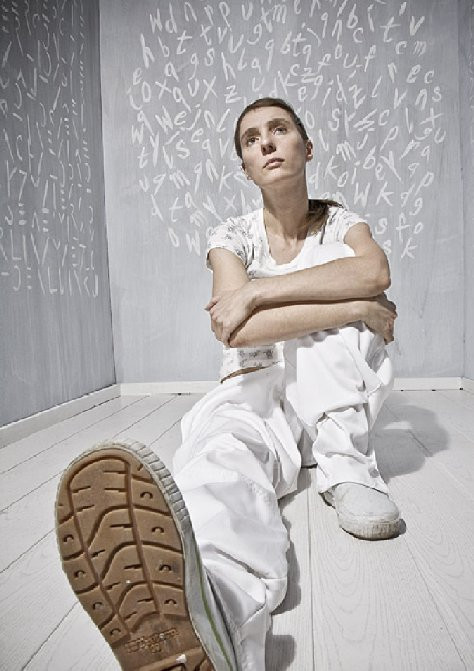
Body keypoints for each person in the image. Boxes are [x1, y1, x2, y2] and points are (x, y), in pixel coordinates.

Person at [55, 97, 400, 671]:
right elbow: (236, 330)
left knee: (329, 319)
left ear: (307, 147)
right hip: (254, 384)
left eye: (279, 129)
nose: (266, 142)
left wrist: (258, 291)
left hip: (330, 396)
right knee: (219, 459)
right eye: (250, 139)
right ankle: (217, 609)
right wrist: (356, 305)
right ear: (245, 166)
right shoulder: (232, 235)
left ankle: (347, 466)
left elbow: (374, 271)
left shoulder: (341, 224)